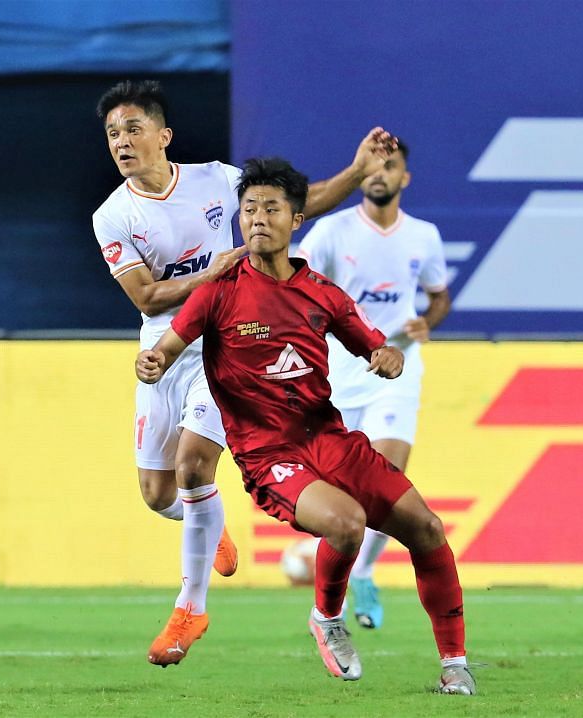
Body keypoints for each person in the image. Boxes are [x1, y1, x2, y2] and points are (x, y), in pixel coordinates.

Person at [135, 157, 475, 695]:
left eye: (271, 208)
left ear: (297, 220)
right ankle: (326, 617)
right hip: (268, 453)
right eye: (248, 209)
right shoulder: (218, 292)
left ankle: (455, 665)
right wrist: (151, 361)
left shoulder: (323, 292)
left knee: (429, 530)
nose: (257, 219)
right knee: (347, 523)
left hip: (329, 439)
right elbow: (166, 348)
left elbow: (376, 346)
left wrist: (389, 357)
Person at [92, 80, 398, 666]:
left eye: (133, 128)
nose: (122, 142)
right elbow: (147, 297)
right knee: (159, 495)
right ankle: (207, 525)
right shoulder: (113, 216)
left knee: (192, 463)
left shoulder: (213, 179)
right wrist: (212, 272)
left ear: (164, 135)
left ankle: (191, 607)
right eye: (112, 133)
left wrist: (357, 172)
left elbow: (293, 200)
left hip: (224, 343)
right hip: (164, 349)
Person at [296, 139, 450, 630]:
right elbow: (294, 285)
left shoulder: (423, 236)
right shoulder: (331, 232)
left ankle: (362, 571)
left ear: (404, 178)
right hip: (340, 372)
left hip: (398, 365)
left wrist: (430, 321)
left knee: (388, 473)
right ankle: (344, 568)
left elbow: (438, 296)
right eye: (374, 166)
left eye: (391, 167)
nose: (380, 174)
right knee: (348, 488)